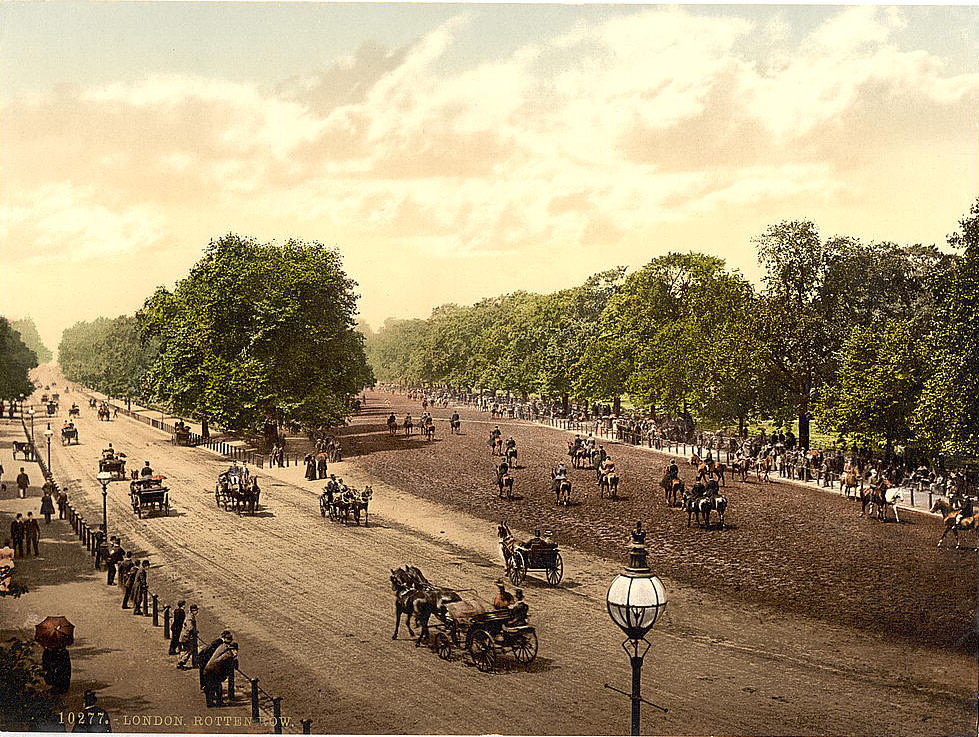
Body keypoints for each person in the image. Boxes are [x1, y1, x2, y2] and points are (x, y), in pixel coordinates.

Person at [202, 639, 238, 707]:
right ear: (233, 649)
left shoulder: (228, 654)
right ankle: (217, 703)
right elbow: (219, 664)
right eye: (235, 650)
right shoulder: (227, 656)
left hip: (210, 670)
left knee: (213, 687)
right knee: (217, 687)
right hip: (212, 671)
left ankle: (212, 702)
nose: (236, 652)